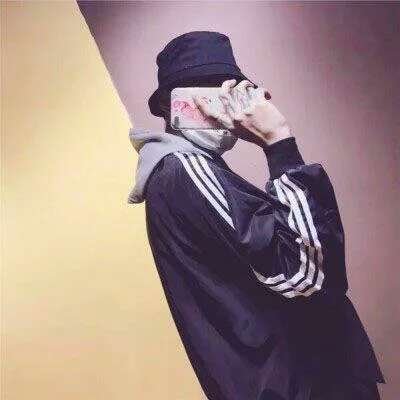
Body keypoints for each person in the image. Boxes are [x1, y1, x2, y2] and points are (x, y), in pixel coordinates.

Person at [127, 31, 385, 400]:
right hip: (299, 387)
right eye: (204, 90)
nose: (222, 104)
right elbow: (305, 275)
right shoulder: (184, 170)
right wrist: (279, 142)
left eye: (229, 90)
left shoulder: (195, 170)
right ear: (170, 107)